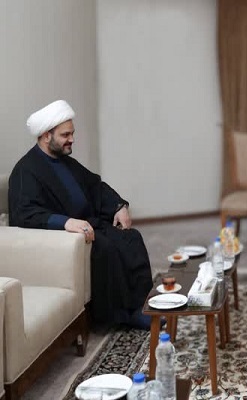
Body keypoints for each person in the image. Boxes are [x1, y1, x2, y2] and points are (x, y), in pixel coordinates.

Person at [9, 100, 154, 330]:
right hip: (67, 235)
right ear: (46, 136)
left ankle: (142, 306)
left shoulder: (66, 162)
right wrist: (65, 222)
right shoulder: (25, 170)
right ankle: (120, 316)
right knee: (107, 249)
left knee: (131, 238)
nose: (72, 139)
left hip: (91, 223)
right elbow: (24, 213)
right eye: (65, 135)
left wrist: (119, 206)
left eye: (72, 133)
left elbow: (95, 186)